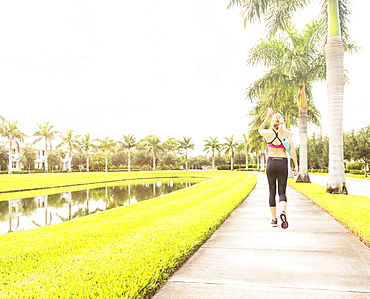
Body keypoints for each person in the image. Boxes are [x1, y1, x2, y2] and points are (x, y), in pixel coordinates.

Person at [258, 109, 298, 229]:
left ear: (272, 122)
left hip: (271, 163)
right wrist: (296, 165)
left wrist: (267, 117)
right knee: (282, 192)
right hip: (282, 162)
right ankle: (283, 211)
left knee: (272, 192)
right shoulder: (286, 133)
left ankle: (274, 219)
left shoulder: (268, 133)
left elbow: (259, 129)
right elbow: (292, 150)